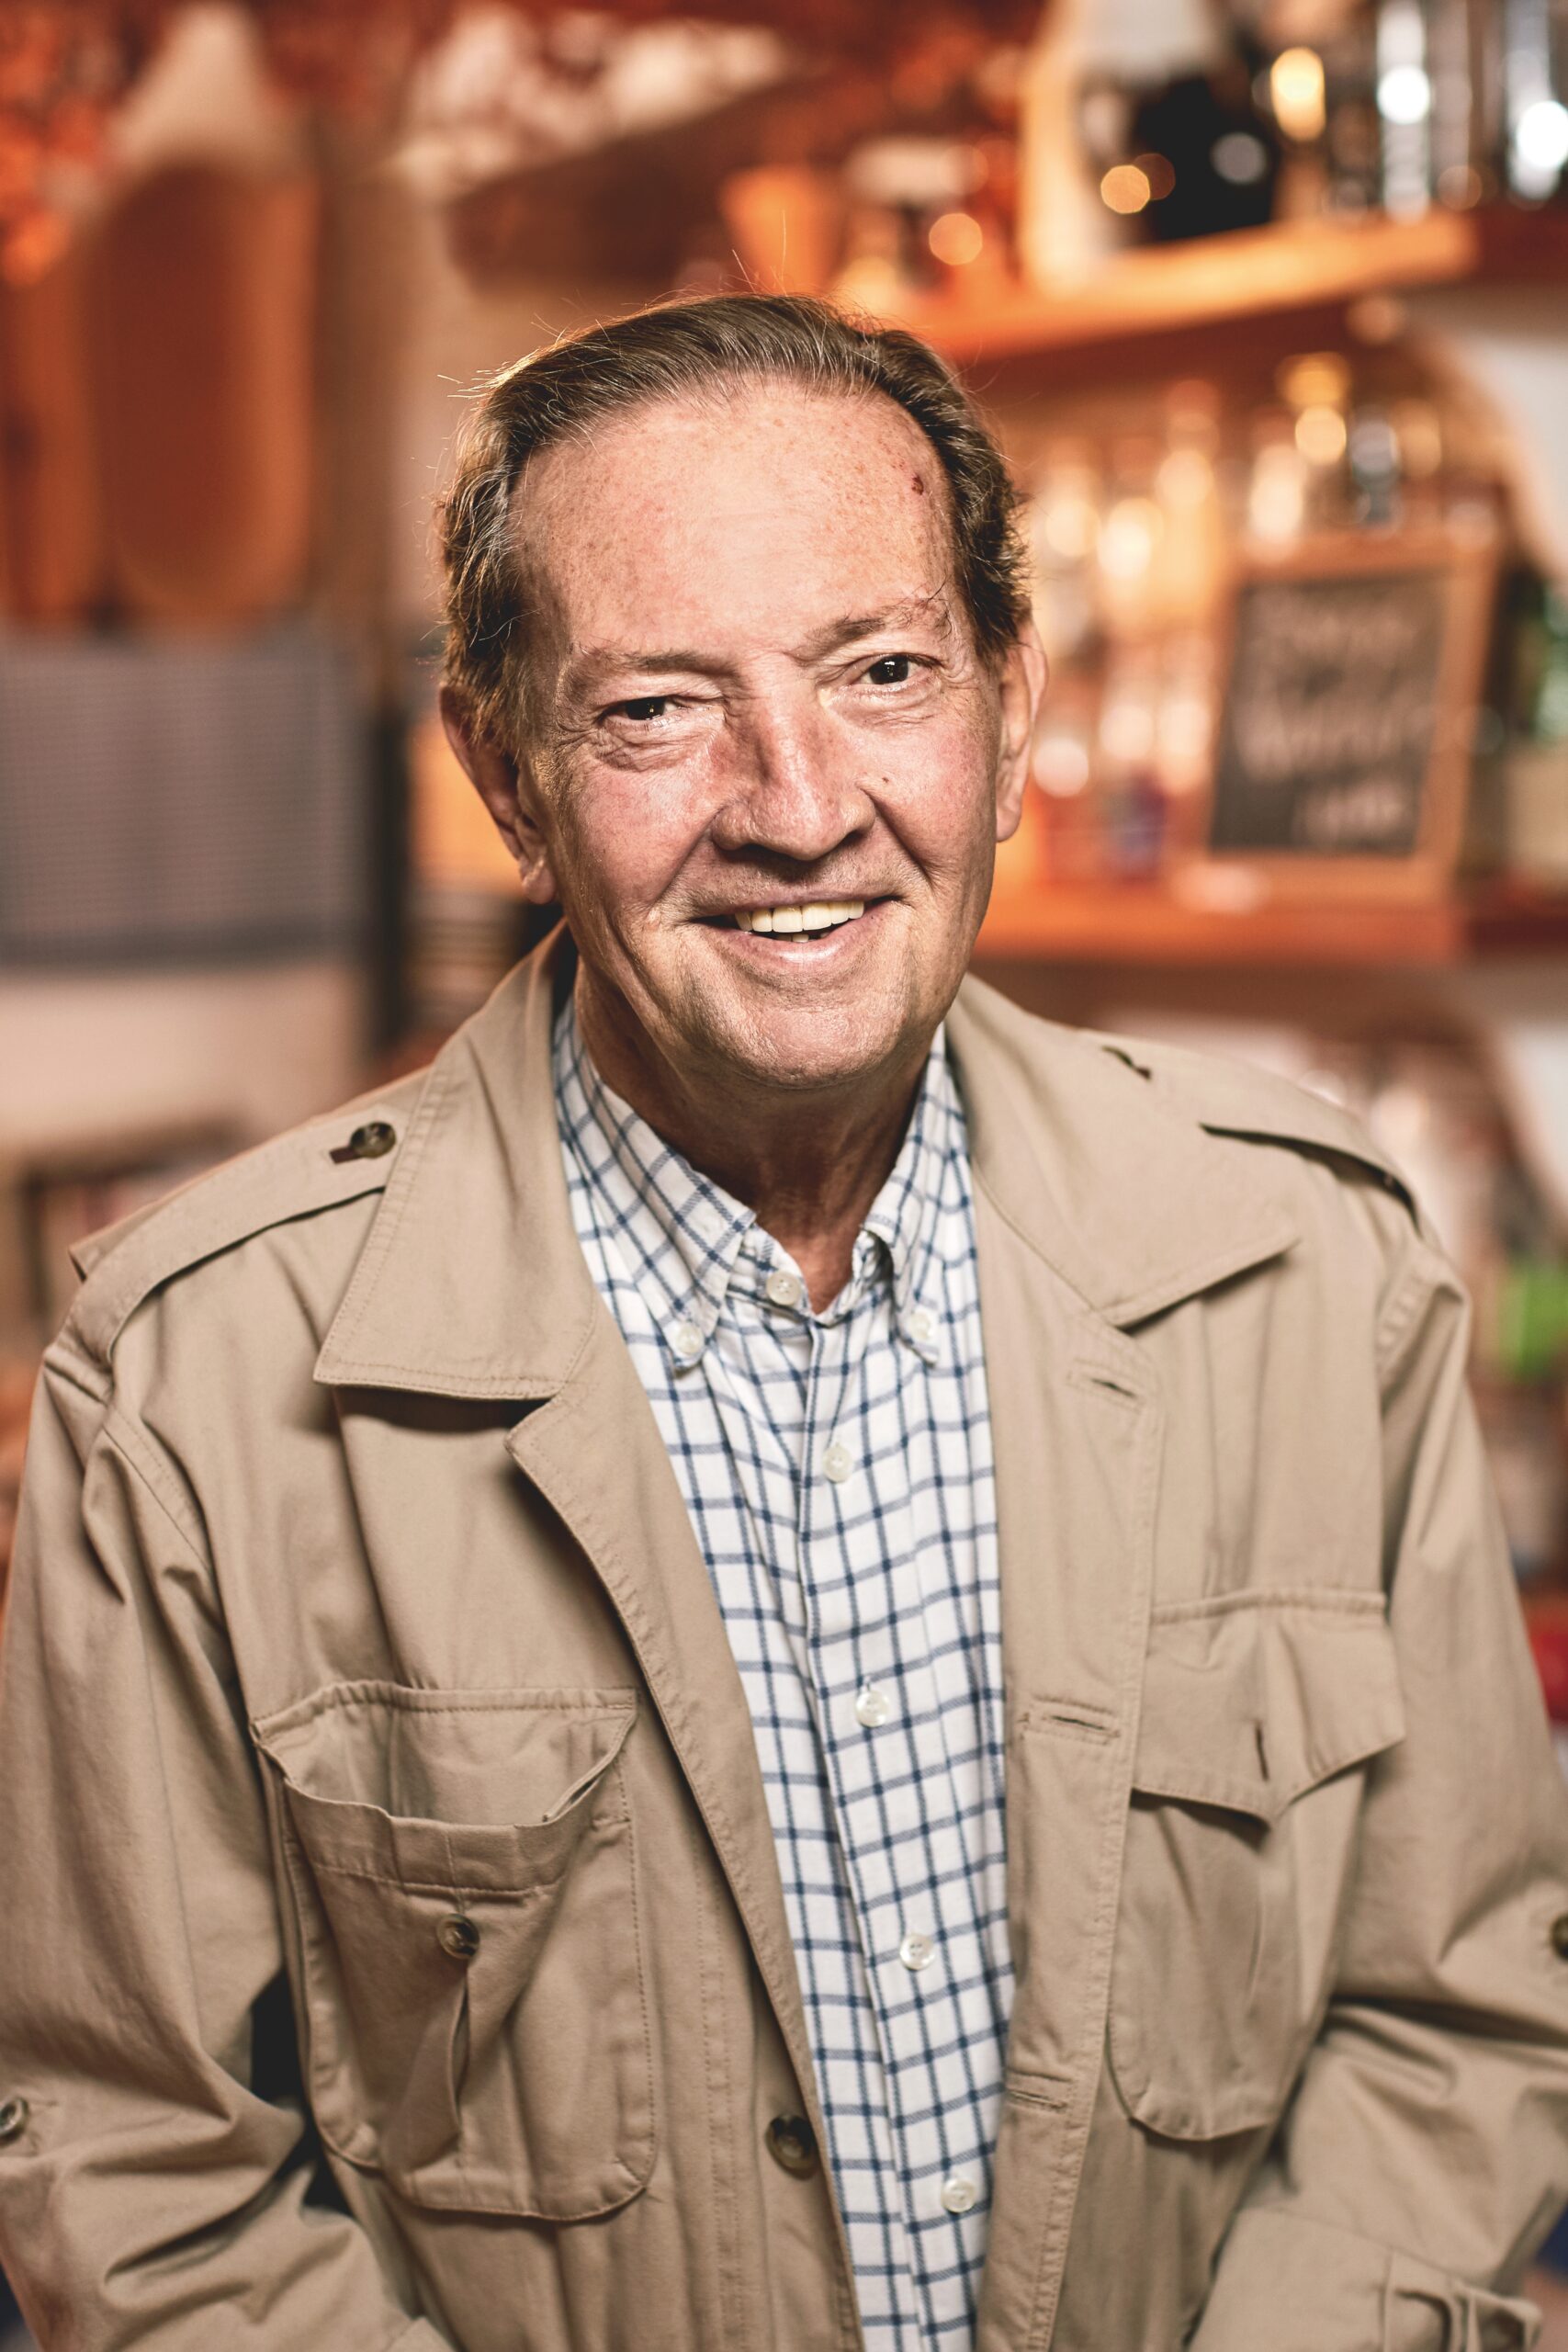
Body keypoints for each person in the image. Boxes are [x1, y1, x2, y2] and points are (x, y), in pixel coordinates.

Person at [0, 294, 1565, 2352]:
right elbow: (143, 2175)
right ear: (504, 772)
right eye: (656, 707)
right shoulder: (192, 1382)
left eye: (881, 669)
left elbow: (1447, 2009)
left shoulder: (1306, 1268)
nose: (798, 800)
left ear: (1007, 701)